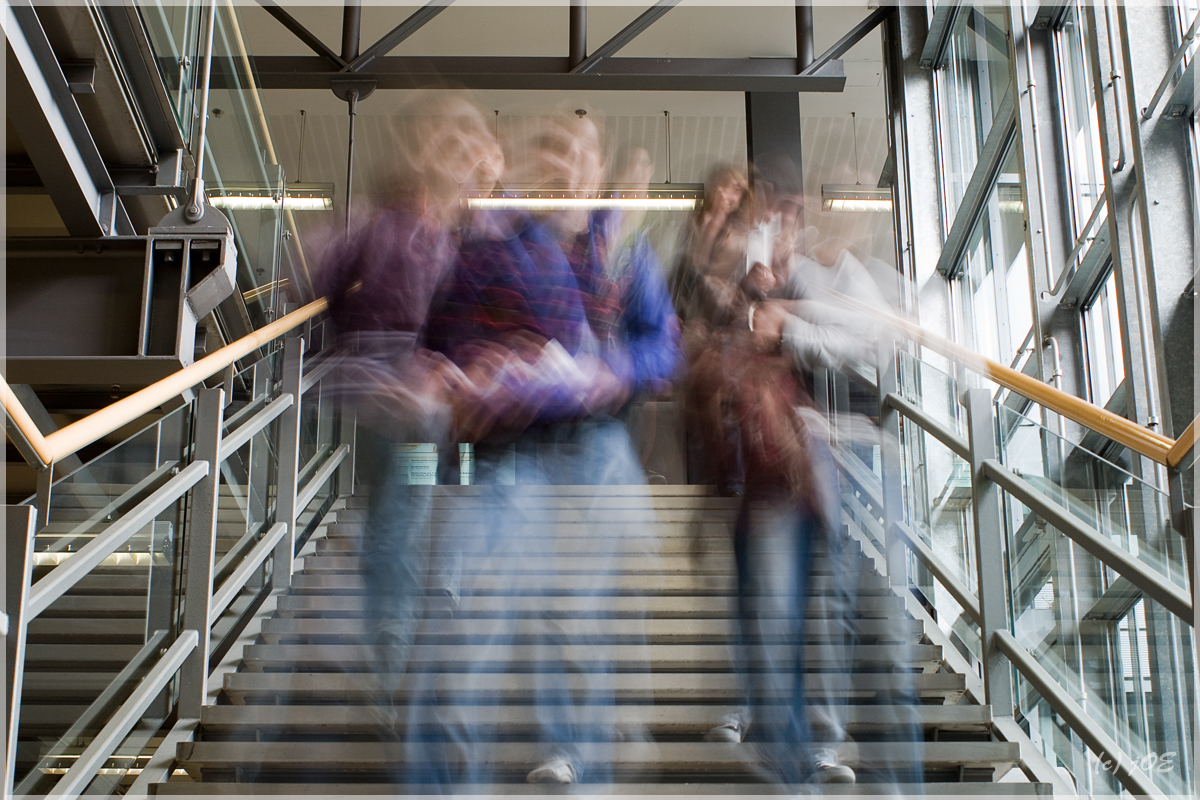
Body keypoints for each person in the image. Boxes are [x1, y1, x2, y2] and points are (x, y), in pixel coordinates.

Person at [315, 94, 504, 738]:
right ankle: (412, 636)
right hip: (407, 408)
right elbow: (320, 306)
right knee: (415, 500)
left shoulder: (448, 241)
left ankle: (414, 634)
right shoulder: (388, 236)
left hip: (434, 408)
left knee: (425, 500)